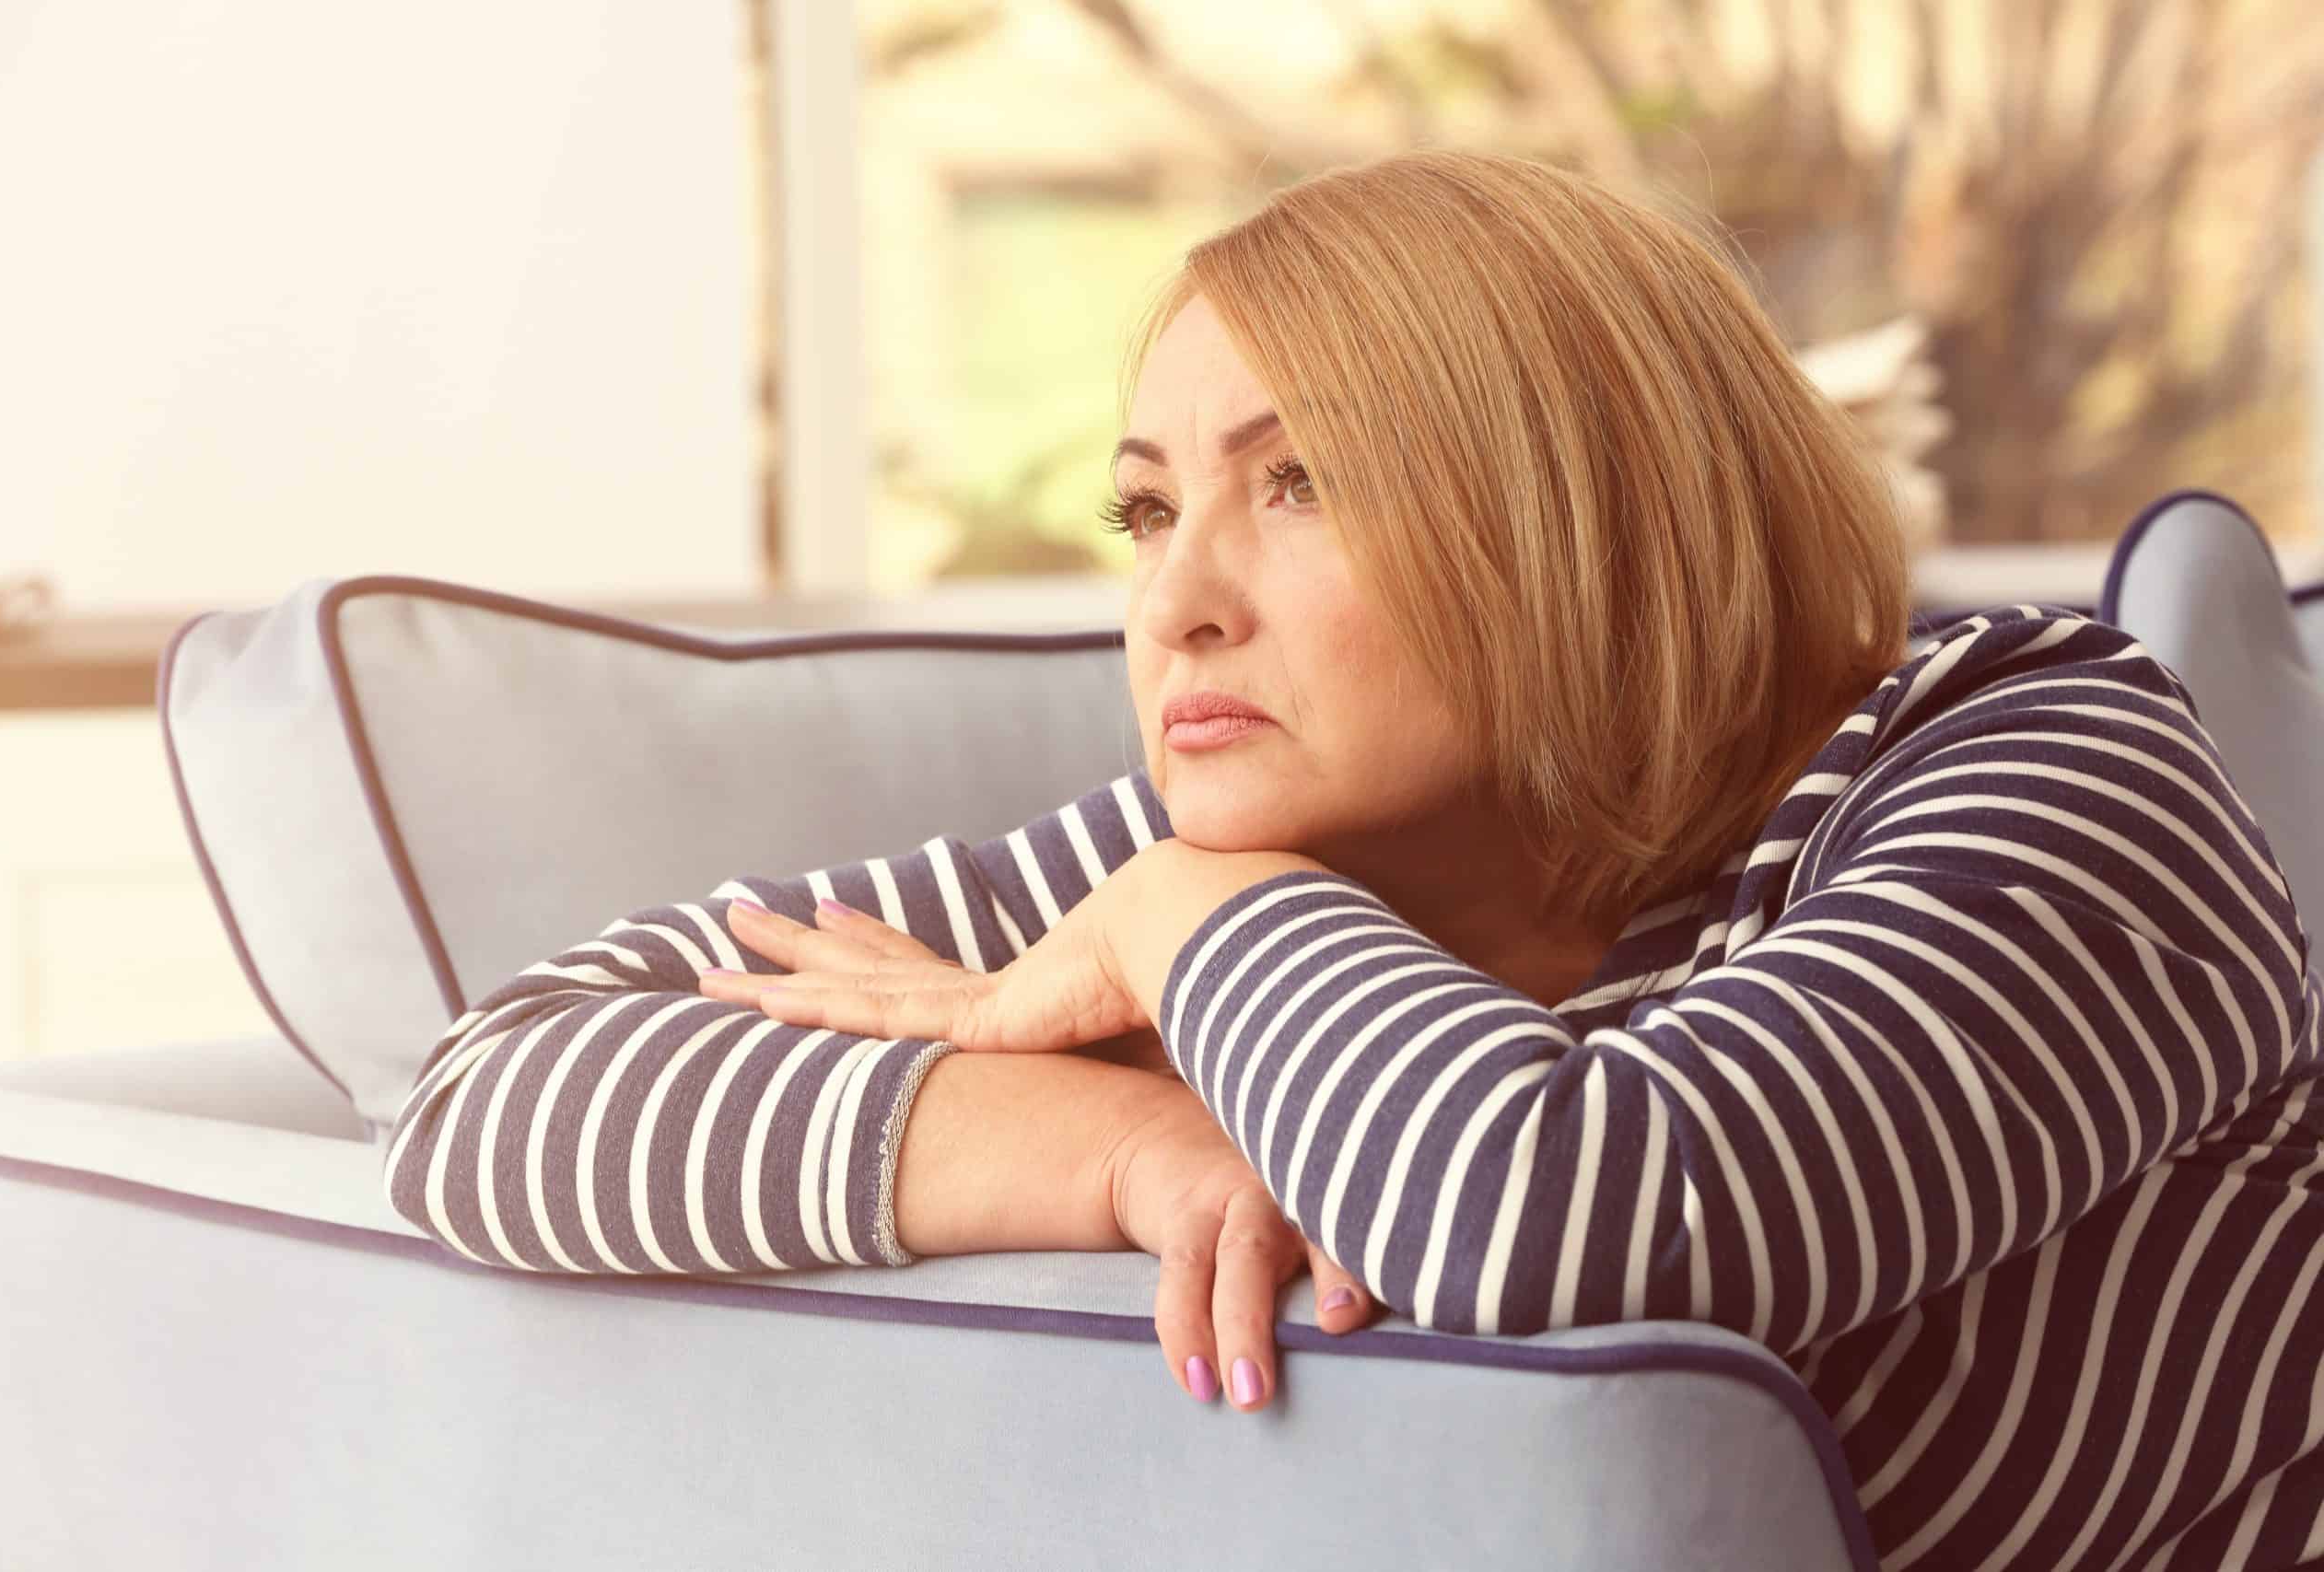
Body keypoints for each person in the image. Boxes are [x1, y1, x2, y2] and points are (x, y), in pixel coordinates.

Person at [383, 148, 2324, 1571]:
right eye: (1149, 511)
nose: (1176, 604)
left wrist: (1191, 919)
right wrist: (1127, 1147)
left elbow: (1566, 1224)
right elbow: (485, 1095)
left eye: (1300, 481)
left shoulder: (2053, 762)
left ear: (1600, 507)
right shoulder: (1262, 842)